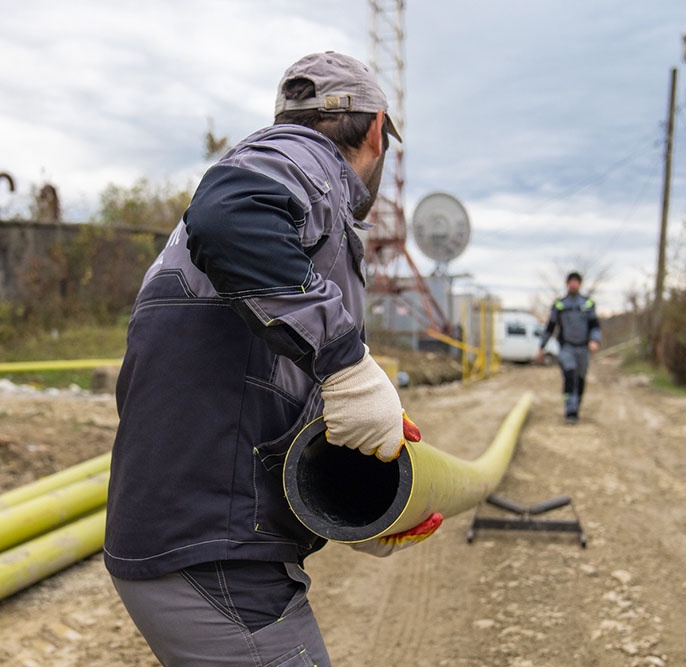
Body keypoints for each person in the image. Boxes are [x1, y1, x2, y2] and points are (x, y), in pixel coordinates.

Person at [104, 51, 442, 666]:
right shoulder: (303, 163)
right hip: (214, 551)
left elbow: (246, 386)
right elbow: (232, 215)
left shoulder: (290, 228)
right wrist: (347, 362)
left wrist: (360, 501)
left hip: (201, 537)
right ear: (375, 130)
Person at [536, 271, 601, 423]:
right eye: (570, 281)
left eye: (576, 281)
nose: (573, 284)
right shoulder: (560, 304)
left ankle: (576, 405)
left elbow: (595, 325)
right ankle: (570, 410)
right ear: (567, 284)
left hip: (583, 348)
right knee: (569, 376)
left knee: (580, 379)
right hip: (567, 347)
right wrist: (541, 347)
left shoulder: (588, 303)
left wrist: (595, 341)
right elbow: (550, 326)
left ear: (579, 284)